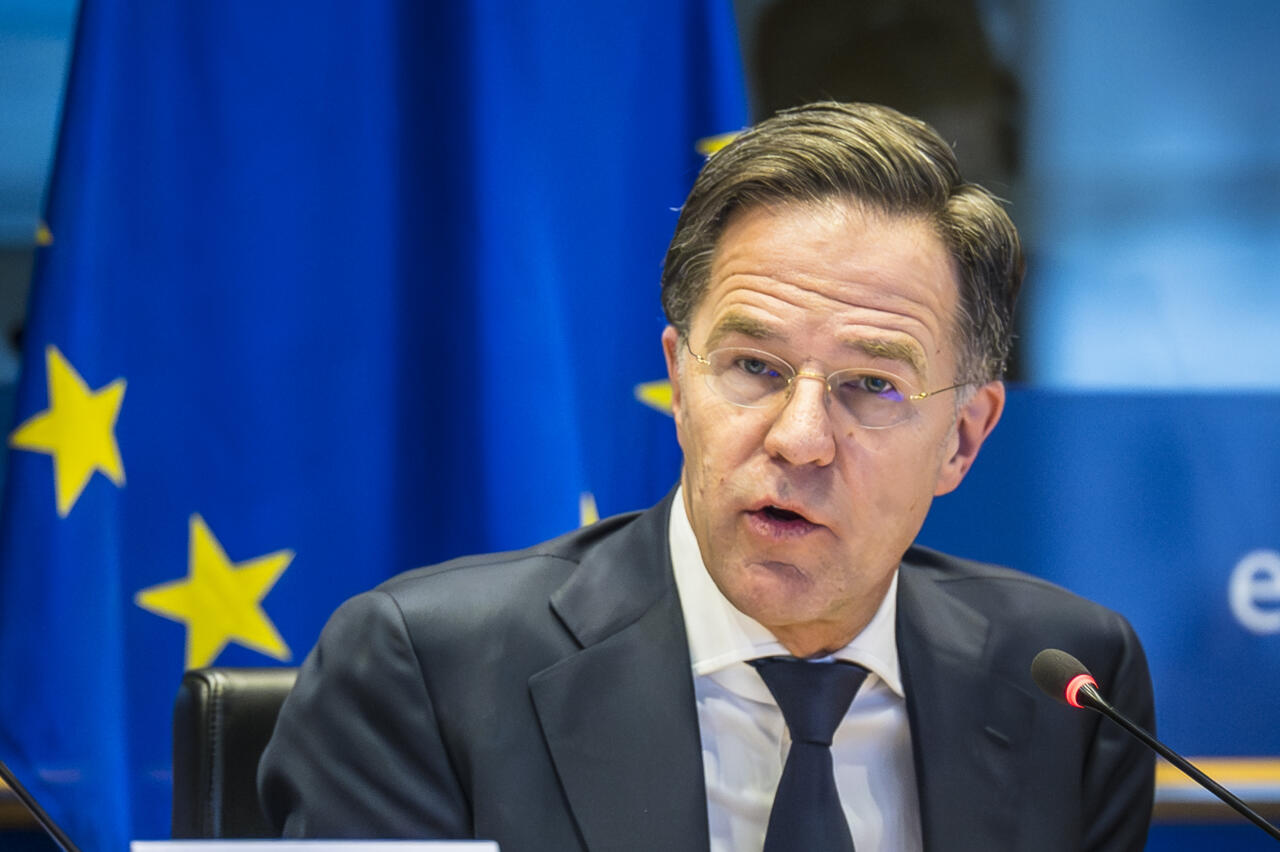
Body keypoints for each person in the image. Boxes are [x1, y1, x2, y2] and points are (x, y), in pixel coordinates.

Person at [258, 102, 1154, 851]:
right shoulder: (425, 673)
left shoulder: (1071, 686)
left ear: (962, 437)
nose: (800, 439)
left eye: (871, 385)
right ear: (681, 386)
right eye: (754, 367)